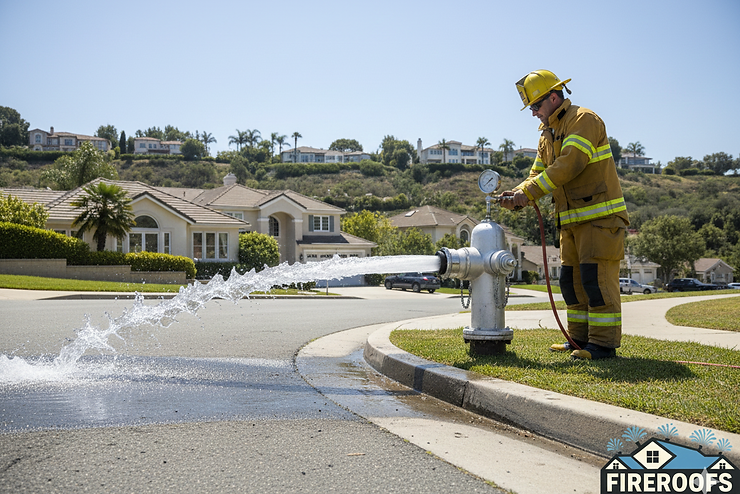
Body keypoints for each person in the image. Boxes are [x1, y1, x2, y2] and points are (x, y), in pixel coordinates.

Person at [499, 70, 629, 360]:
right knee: (571, 283)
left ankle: (603, 346)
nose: (533, 113)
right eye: (531, 108)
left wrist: (528, 192)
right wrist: (514, 195)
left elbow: (569, 164)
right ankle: (579, 341)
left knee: (596, 282)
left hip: (600, 220)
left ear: (554, 97)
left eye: (536, 106)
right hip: (570, 223)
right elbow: (537, 174)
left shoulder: (584, 120)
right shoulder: (548, 134)